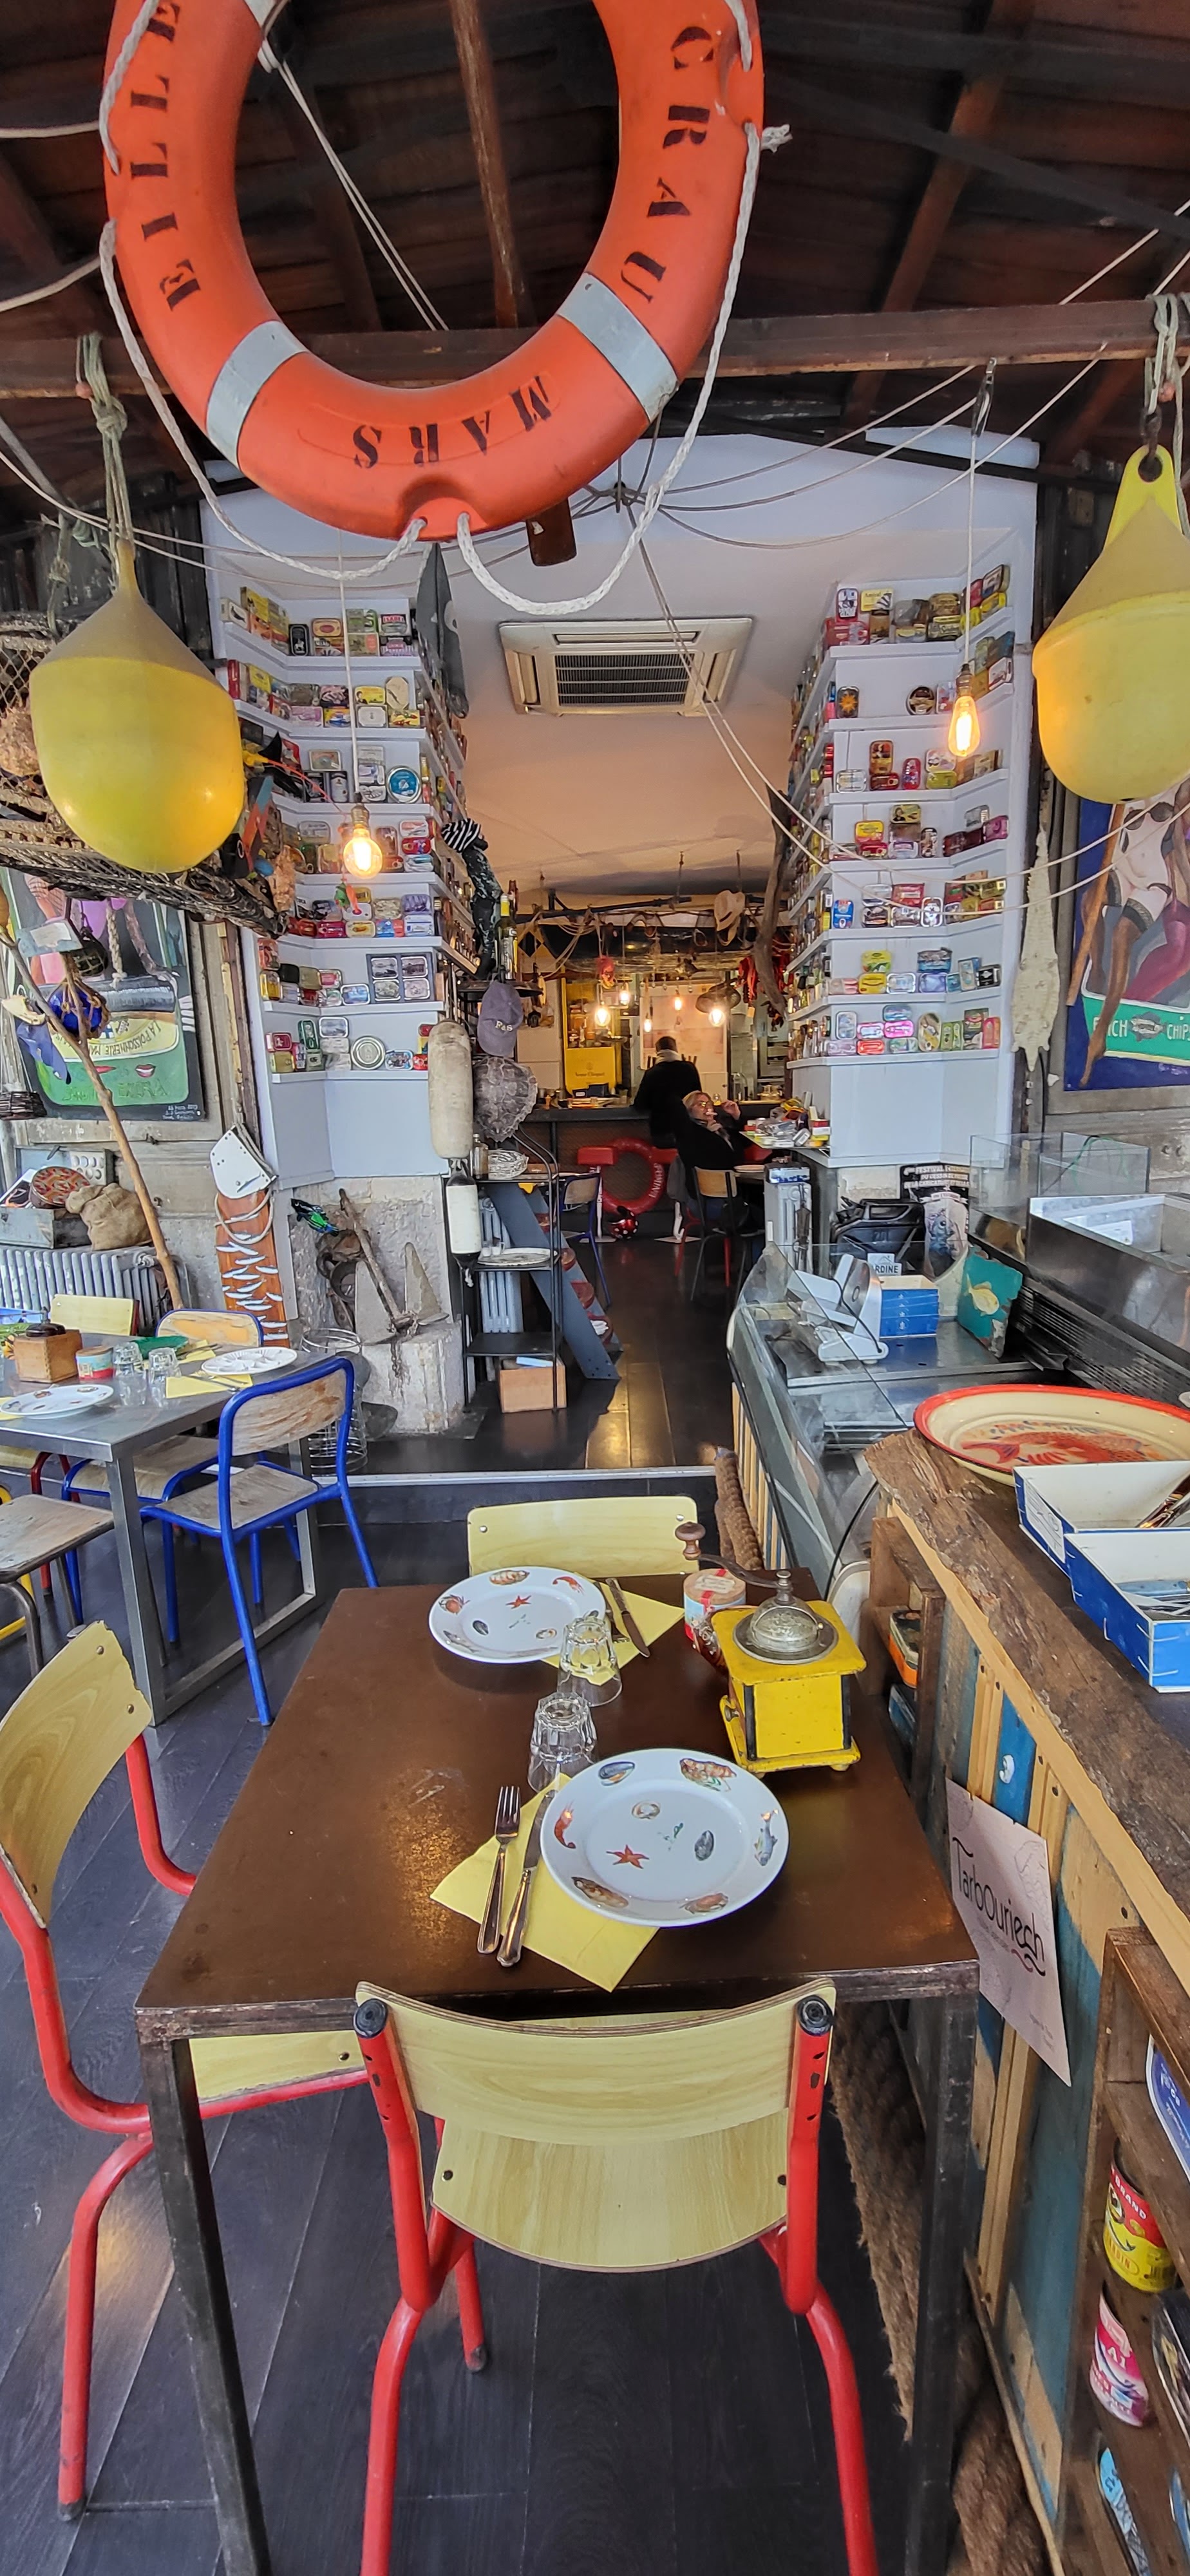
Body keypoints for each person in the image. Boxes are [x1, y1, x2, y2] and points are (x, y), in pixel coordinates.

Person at [632, 1034, 699, 1142]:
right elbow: (698, 1097)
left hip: (662, 1131)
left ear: (657, 1051)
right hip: (687, 1128)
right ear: (676, 1049)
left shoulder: (652, 1073)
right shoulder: (689, 1069)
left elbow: (640, 1104)